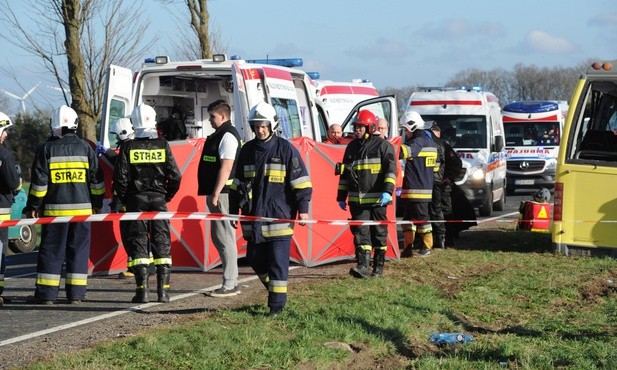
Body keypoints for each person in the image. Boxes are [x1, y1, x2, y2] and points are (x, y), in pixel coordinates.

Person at [229, 102, 312, 317]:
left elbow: (302, 182)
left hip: (279, 218)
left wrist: (303, 209)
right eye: (256, 126)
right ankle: (274, 292)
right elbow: (236, 184)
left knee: (277, 263)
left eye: (264, 125)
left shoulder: (285, 150)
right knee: (254, 258)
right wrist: (232, 212)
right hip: (253, 218)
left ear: (272, 124)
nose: (260, 130)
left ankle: (276, 306)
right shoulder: (246, 151)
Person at [25, 105, 104, 304]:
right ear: (76, 124)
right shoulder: (86, 148)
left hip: (54, 213)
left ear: (54, 124)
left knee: (52, 251)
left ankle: (46, 295)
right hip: (83, 212)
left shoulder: (46, 149)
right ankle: (76, 295)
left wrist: (33, 206)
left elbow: (39, 184)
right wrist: (97, 204)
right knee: (78, 251)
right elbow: (97, 181)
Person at [113, 104, 182, 304]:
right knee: (162, 243)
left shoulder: (127, 147)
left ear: (134, 123)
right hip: (159, 200)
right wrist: (166, 196)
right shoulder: (163, 144)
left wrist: (127, 199)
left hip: (136, 201)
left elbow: (120, 180)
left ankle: (142, 292)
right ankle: (163, 293)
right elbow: (176, 176)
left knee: (138, 243)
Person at [336, 109, 396, 278]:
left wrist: (387, 191)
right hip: (357, 200)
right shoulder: (352, 147)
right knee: (360, 233)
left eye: (361, 127)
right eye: (355, 126)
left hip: (378, 200)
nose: (357, 130)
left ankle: (378, 268)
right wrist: (341, 197)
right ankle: (363, 267)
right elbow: (345, 173)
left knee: (379, 234)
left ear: (370, 127)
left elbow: (391, 171)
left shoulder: (383, 146)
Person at [197, 99, 241, 298]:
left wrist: (215, 193)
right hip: (217, 193)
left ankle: (230, 283)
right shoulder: (220, 135)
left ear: (223, 116)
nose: (210, 120)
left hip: (223, 194)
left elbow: (226, 166)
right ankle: (230, 280)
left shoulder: (228, 136)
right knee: (220, 237)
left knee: (225, 238)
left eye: (212, 116)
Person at [97, 118, 137, 278]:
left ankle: (135, 268)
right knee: (136, 234)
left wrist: (116, 202)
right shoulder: (134, 146)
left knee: (130, 235)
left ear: (123, 133)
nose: (115, 139)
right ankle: (138, 266)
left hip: (128, 200)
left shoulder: (128, 147)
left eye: (116, 135)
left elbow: (121, 167)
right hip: (136, 199)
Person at [399, 111, 437, 257]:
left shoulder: (419, 141)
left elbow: (402, 152)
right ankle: (408, 247)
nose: (405, 133)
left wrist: (387, 145)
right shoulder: (428, 140)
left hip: (418, 190)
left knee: (422, 221)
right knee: (408, 221)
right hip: (416, 188)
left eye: (405, 130)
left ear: (412, 126)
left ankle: (427, 247)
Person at [428, 122, 462, 248]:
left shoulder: (444, 146)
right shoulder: (430, 145)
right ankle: (437, 238)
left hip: (443, 186)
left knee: (446, 212)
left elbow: (457, 163)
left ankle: (448, 239)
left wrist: (449, 178)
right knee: (433, 211)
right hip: (432, 184)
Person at [0, 112, 22, 305]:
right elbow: (13, 182)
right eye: (4, 130)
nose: (5, 135)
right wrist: (18, 184)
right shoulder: (4, 154)